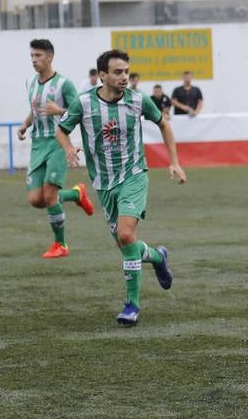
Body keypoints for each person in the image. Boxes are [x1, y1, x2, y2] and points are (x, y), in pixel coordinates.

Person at [56, 49, 187, 327]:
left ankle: (132, 305)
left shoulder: (138, 100)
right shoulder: (83, 104)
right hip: (104, 184)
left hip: (134, 176)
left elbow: (164, 124)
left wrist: (174, 162)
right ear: (102, 75)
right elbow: (61, 129)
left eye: (126, 71)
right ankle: (157, 256)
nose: (124, 76)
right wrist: (68, 148)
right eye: (118, 72)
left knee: (126, 235)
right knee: (126, 245)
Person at [16, 38, 95, 258]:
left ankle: (61, 245)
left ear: (50, 57)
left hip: (58, 142)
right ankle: (77, 194)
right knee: (35, 199)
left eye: (38, 56)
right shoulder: (30, 83)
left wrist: (59, 110)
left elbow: (78, 111)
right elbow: (36, 109)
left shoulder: (64, 84)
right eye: (32, 56)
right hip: (38, 145)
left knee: (50, 196)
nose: (34, 60)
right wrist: (24, 125)